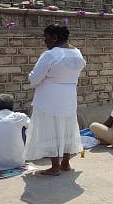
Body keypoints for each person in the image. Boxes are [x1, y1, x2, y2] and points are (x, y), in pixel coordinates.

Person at [24, 24, 86, 176]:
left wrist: (31, 75)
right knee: (67, 129)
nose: (46, 43)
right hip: (69, 97)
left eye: (47, 39)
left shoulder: (50, 55)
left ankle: (55, 166)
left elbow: (34, 79)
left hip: (48, 99)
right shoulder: (77, 53)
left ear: (55, 38)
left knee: (50, 131)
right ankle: (65, 162)